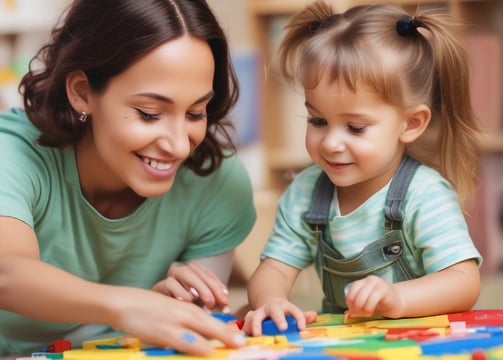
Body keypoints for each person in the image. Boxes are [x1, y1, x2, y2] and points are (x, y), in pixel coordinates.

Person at [0, 0, 257, 356]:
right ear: (82, 92)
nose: (179, 145)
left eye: (196, 112)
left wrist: (175, 304)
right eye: (149, 114)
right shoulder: (13, 154)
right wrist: (126, 306)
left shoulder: (216, 180)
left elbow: (190, 327)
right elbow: (7, 273)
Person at [243, 1, 482, 336]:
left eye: (355, 127)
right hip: (344, 344)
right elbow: (274, 269)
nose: (331, 143)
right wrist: (270, 300)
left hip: (418, 343)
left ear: (411, 123)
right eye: (318, 120)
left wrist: (397, 298)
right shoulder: (306, 191)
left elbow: (463, 282)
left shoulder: (424, 194)